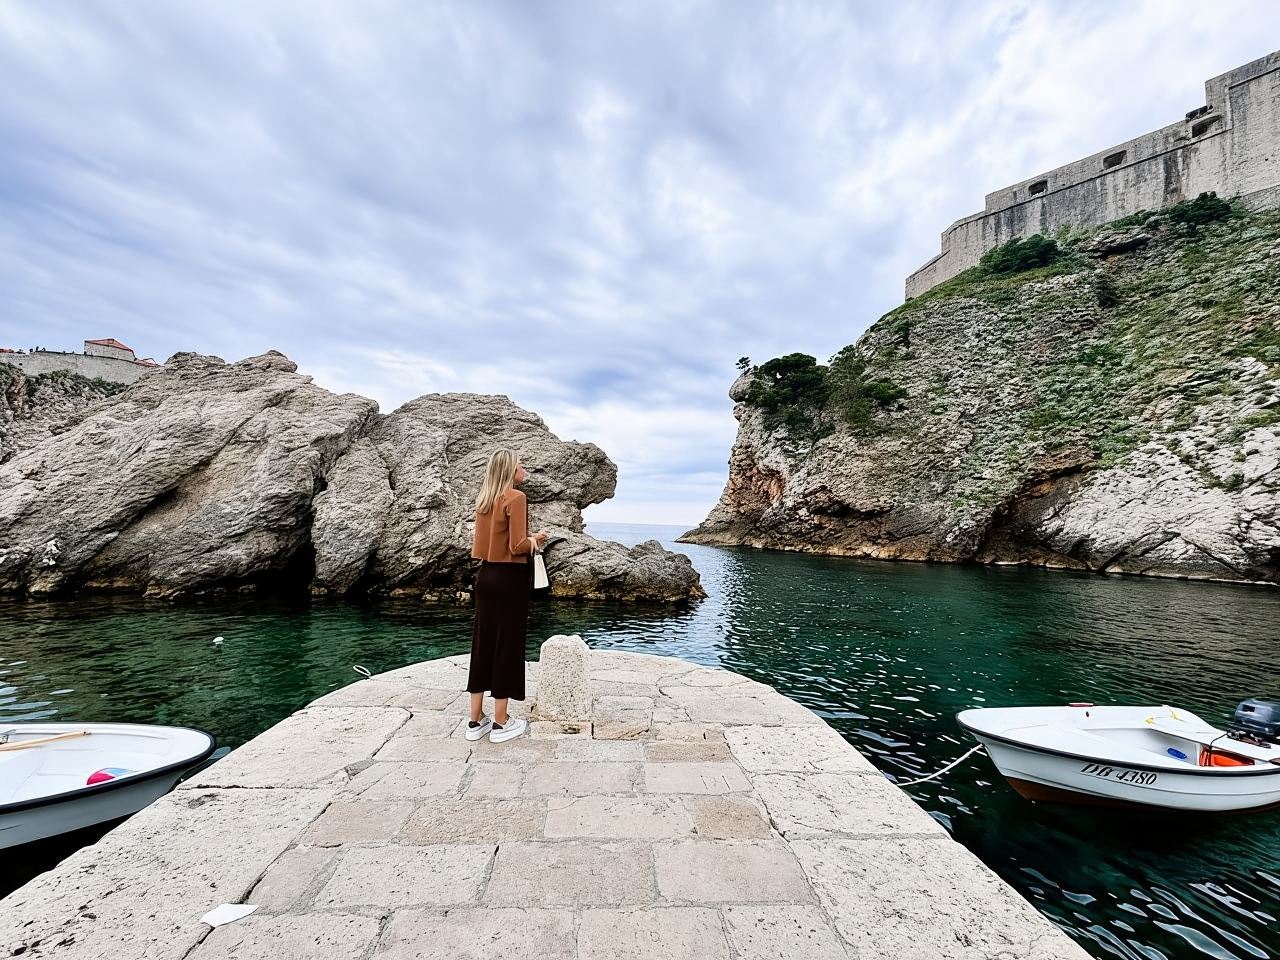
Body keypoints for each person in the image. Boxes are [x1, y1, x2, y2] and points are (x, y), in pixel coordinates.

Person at [465, 449, 548, 743]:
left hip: (485, 577)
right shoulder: (516, 498)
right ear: (511, 470)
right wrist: (535, 540)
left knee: (483, 644)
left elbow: (487, 544)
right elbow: (516, 546)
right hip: (509, 579)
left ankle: (475, 722)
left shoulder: (484, 500)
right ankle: (501, 723)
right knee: (507, 646)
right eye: (520, 464)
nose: (523, 468)